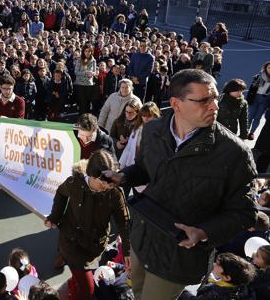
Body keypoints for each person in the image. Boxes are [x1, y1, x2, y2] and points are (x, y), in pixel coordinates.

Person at [105, 69, 258, 300]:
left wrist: (203, 232)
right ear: (176, 104)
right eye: (204, 100)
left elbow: (245, 213)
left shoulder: (234, 153)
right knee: (136, 292)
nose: (215, 106)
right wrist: (123, 176)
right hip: (142, 239)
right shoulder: (153, 130)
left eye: (215, 98)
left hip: (176, 258)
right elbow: (145, 169)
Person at [45, 149, 130, 300]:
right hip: (72, 243)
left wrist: (127, 252)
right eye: (102, 183)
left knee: (81, 279)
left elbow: (124, 223)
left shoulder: (114, 192)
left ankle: (71, 289)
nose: (107, 187)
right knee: (87, 290)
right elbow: (61, 193)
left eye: (110, 183)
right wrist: (55, 217)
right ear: (91, 176)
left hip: (94, 246)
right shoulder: (74, 184)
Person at [179, 253, 257, 300]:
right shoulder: (241, 287)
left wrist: (182, 291)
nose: (214, 264)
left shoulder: (214, 295)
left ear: (227, 277)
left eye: (218, 264)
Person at [246, 61, 270, 140]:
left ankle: (251, 133)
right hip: (255, 97)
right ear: (266, 68)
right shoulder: (259, 76)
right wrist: (248, 99)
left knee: (257, 118)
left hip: (265, 99)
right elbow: (251, 89)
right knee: (250, 116)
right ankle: (245, 131)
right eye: (269, 68)